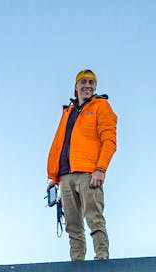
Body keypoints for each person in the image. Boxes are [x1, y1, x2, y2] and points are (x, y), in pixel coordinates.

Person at [46, 68, 117, 261]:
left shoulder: (101, 106)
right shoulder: (68, 111)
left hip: (88, 173)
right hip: (65, 175)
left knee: (94, 218)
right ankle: (77, 265)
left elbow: (109, 140)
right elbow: (59, 144)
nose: (87, 86)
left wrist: (100, 169)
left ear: (95, 87)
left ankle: (102, 259)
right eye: (83, 82)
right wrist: (54, 177)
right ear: (75, 87)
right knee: (72, 225)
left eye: (91, 83)